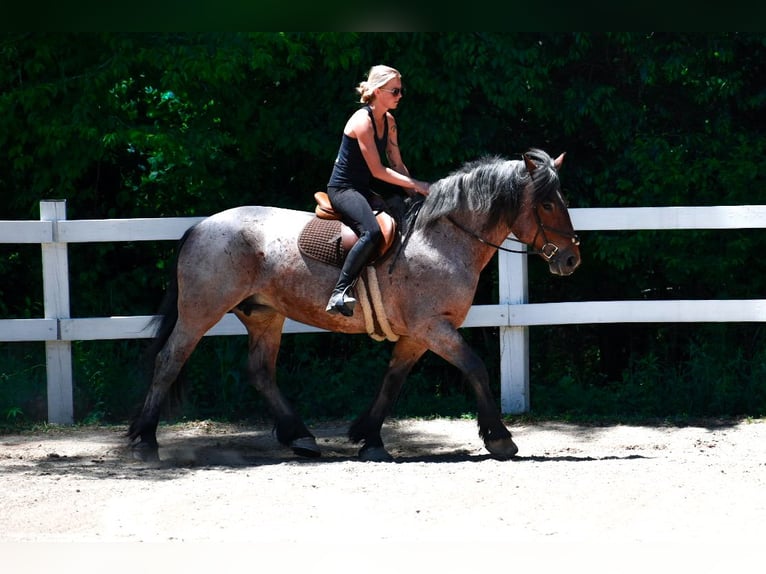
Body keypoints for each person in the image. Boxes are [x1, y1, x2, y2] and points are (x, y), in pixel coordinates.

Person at [325, 64, 431, 317]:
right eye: (395, 91)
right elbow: (378, 170)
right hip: (343, 189)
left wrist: (416, 196)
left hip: (361, 189)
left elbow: (396, 163)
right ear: (377, 90)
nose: (400, 96)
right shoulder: (362, 121)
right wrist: (418, 184)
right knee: (372, 232)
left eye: (400, 91)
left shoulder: (389, 121)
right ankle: (339, 292)